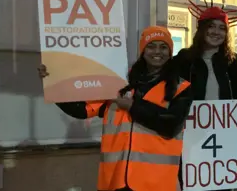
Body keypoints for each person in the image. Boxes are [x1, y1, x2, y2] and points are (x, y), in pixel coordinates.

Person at [38, 26, 193, 191]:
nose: (157, 51)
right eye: (151, 46)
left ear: (170, 52)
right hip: (116, 181)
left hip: (156, 183)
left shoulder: (181, 88)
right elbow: (81, 110)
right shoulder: (117, 83)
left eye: (163, 47)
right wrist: (53, 84)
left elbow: (171, 125)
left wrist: (133, 106)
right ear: (142, 50)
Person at [172, 0, 237, 190]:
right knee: (192, 184)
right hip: (191, 136)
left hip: (225, 136)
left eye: (222, 28)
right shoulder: (184, 60)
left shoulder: (234, 62)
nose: (216, 32)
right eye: (211, 27)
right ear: (201, 29)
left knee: (222, 186)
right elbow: (170, 92)